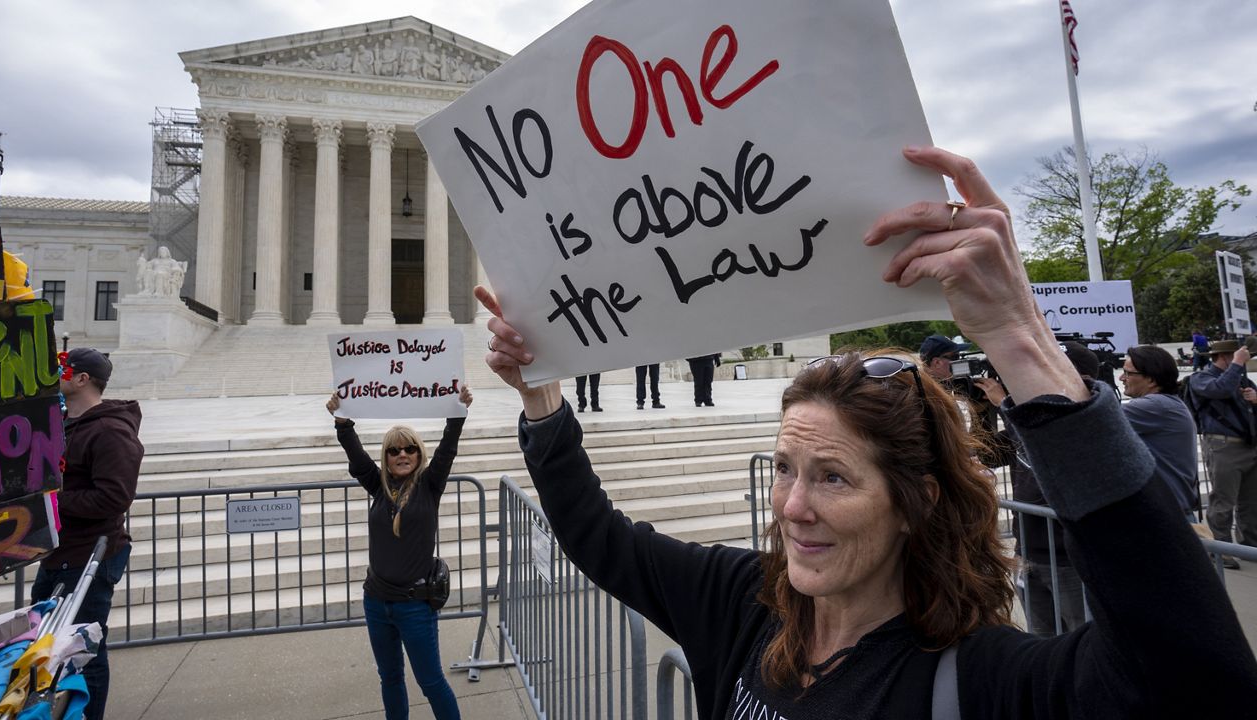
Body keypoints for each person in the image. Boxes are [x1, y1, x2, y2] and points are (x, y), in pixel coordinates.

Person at [477, 147, 1257, 717]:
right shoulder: (745, 604)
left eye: (833, 476)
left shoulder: (982, 681)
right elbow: (595, 536)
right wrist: (542, 401)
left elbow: (1197, 677)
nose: (790, 506)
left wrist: (1022, 341)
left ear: (914, 499)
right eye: (784, 468)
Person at [326, 387, 472, 720]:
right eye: (394, 450)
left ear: (419, 454)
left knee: (431, 682)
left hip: (415, 606)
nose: (402, 454)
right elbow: (355, 453)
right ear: (386, 457)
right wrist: (342, 422)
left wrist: (458, 410)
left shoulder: (430, 485)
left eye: (409, 449)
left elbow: (449, 446)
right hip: (376, 603)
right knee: (389, 678)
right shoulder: (377, 486)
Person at [32, 348, 142, 720]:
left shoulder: (110, 429)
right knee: (46, 647)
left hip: (91, 556)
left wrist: (51, 501)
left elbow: (114, 497)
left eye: (63, 369)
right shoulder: (64, 424)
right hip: (57, 552)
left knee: (85, 652)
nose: (55, 375)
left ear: (81, 379)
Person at [974, 341, 1099, 637]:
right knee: (1042, 638)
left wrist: (1007, 407)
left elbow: (1044, 453)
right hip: (1029, 552)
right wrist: (980, 409)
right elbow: (987, 452)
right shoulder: (1026, 420)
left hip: (1070, 558)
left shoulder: (1087, 418)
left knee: (1083, 637)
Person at [1187, 339, 1257, 557]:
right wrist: (1237, 363)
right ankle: (1222, 550)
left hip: (1249, 445)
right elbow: (1220, 390)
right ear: (1225, 356)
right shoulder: (1201, 378)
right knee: (1223, 502)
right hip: (1222, 445)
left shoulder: (1241, 378)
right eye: (1236, 357)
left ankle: (1249, 547)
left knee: (1251, 502)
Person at [1121, 345, 1200, 516]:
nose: (1121, 378)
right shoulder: (1167, 403)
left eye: (1128, 373)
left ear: (1151, 379)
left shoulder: (1155, 406)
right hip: (1171, 513)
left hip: (1167, 517)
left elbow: (1095, 418)